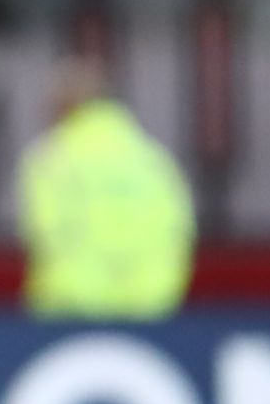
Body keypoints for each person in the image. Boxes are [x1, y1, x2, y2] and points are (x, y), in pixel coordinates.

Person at [17, 61, 193, 319]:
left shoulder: (50, 158)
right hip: (151, 310)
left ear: (66, 107)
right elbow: (179, 233)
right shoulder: (156, 161)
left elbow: (43, 231)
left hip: (69, 310)